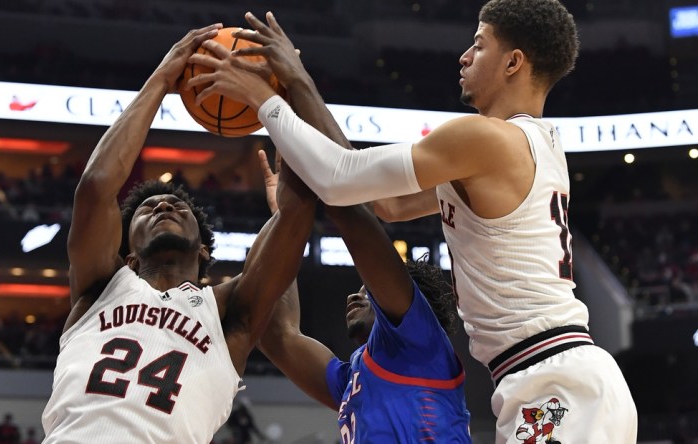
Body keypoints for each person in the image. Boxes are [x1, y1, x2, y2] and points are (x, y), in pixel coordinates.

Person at [186, 3, 637, 442]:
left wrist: (265, 98)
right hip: (547, 377)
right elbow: (382, 203)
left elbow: (339, 178)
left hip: (556, 378)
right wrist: (298, 90)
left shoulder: (487, 138)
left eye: (479, 45)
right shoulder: (524, 146)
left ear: (513, 62)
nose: (464, 56)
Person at [40, 24, 318, 444]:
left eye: (175, 206)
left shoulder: (227, 315)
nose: (163, 206)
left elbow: (295, 218)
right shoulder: (101, 288)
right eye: (147, 209)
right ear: (128, 254)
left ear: (204, 250)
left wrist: (287, 90)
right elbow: (97, 187)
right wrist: (162, 79)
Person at [255, 150, 470, 442]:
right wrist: (284, 221)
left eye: (367, 293)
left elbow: (354, 221)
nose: (353, 298)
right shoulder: (354, 378)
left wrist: (310, 148)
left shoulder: (421, 340)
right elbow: (278, 336)